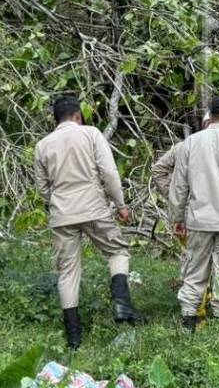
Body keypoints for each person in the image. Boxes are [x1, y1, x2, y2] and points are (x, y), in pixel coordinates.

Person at [32, 95, 144, 350]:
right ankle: (122, 305)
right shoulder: (91, 134)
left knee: (68, 271)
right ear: (78, 116)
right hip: (94, 208)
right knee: (117, 251)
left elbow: (43, 189)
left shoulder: (42, 146)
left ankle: (74, 338)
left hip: (62, 214)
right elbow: (109, 172)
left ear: (55, 119)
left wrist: (59, 201)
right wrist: (120, 205)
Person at [156, 94, 219, 330]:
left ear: (210, 116)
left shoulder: (190, 143)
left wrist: (177, 218)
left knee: (194, 272)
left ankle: (188, 322)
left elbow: (179, 186)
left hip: (198, 220)